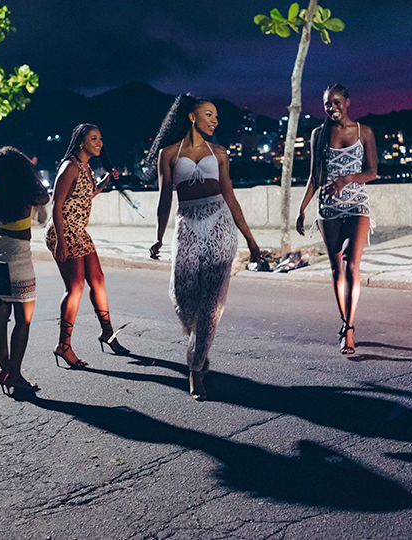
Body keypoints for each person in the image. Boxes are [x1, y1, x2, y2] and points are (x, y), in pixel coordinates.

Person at [148, 95, 262, 400]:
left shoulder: (220, 153)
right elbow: (163, 201)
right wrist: (159, 237)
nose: (214, 120)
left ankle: (195, 369)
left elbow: (231, 198)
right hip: (187, 224)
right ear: (191, 117)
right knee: (182, 294)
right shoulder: (168, 154)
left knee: (211, 303)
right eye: (208, 114)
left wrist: (251, 240)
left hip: (220, 224)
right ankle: (199, 342)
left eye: (216, 116)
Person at [296, 84, 378, 355]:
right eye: (327, 104)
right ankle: (344, 323)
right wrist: (302, 208)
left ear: (348, 102)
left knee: (351, 265)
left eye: (337, 102)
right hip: (328, 209)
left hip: (357, 206)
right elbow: (315, 177)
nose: (332, 107)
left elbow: (372, 172)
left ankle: (350, 328)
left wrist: (347, 179)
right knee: (336, 269)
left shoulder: (363, 132)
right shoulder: (318, 135)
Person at [46, 124, 130, 368]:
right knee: (75, 288)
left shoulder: (86, 167)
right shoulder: (70, 166)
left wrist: (103, 182)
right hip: (64, 230)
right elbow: (56, 204)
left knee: (98, 280)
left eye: (100, 138)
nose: (99, 142)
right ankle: (63, 345)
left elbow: (85, 195)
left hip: (79, 231)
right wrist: (61, 241)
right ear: (80, 142)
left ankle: (107, 333)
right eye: (93, 138)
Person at [0, 147, 50, 395]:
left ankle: (4, 368)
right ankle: (15, 374)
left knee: (0, 319)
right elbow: (45, 197)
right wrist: (32, 173)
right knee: (23, 320)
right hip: (19, 256)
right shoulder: (28, 192)